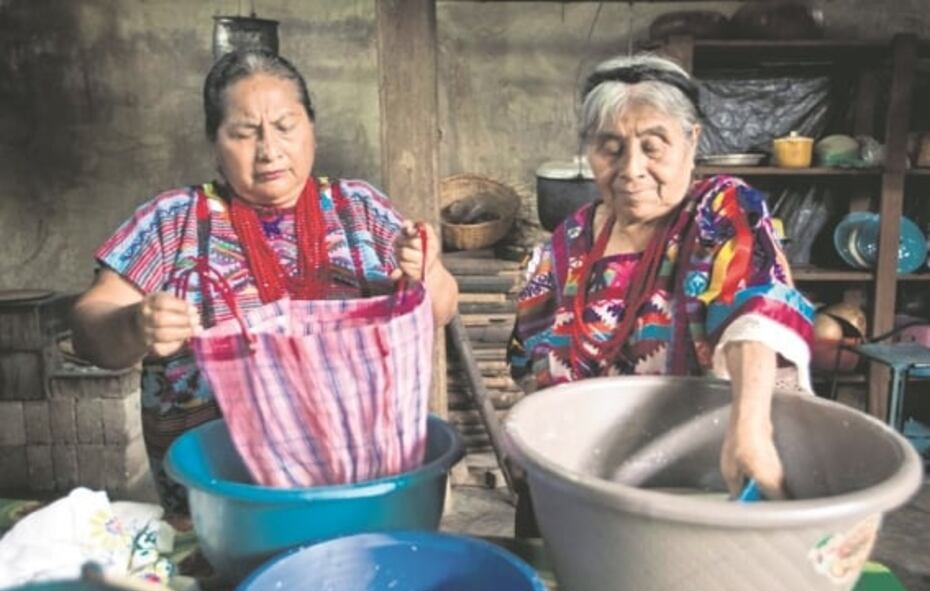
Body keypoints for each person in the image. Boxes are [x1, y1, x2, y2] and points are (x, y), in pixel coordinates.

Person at [71, 49, 459, 513]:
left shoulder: (361, 209)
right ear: (214, 145)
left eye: (285, 126)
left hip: (365, 488)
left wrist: (427, 272)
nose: (269, 150)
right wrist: (135, 325)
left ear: (311, 127)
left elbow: (440, 308)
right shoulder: (172, 221)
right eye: (243, 133)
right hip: (223, 500)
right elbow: (88, 326)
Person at [507, 53, 814, 525]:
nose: (631, 170)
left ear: (692, 141)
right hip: (574, 482)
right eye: (610, 148)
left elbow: (755, 311)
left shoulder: (719, 211)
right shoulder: (568, 241)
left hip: (694, 480)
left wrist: (751, 427)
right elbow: (529, 355)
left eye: (653, 147)